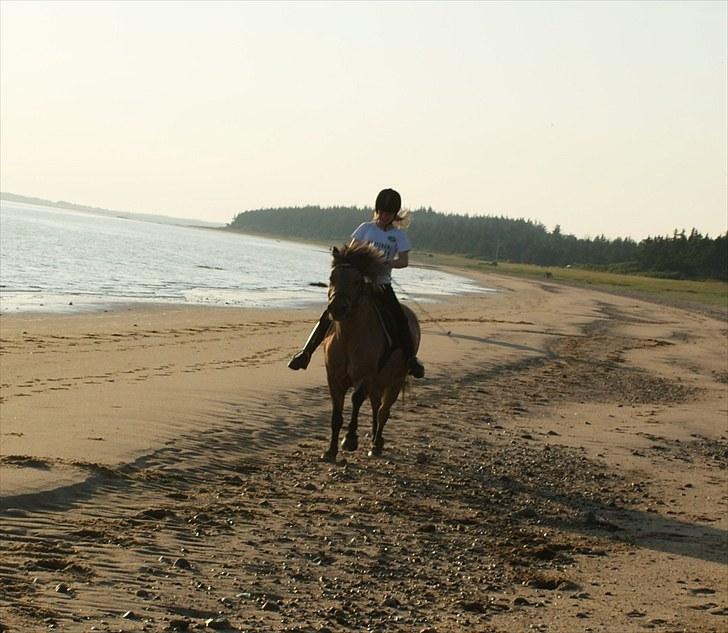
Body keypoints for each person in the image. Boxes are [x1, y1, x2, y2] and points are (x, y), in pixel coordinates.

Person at [288, 188, 425, 378]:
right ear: (377, 210)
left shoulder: (399, 236)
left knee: (399, 318)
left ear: (395, 215)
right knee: (329, 313)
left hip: (381, 285)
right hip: (358, 285)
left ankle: (410, 360)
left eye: (389, 213)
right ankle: (306, 352)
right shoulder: (365, 229)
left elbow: (404, 261)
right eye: (382, 212)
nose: (384, 216)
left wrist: (388, 263)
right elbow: (350, 254)